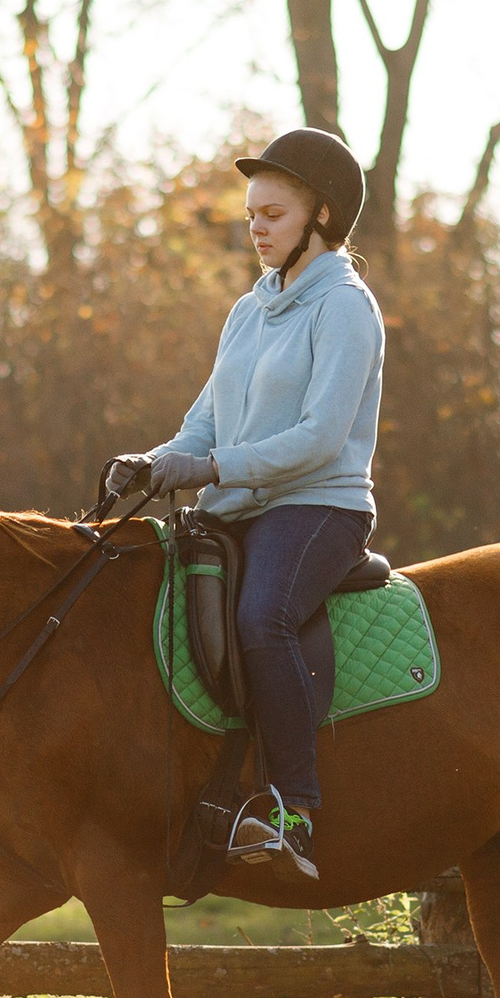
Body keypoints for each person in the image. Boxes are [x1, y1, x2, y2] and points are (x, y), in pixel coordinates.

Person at [104, 128, 384, 882]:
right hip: (240, 506)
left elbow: (320, 439)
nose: (256, 228)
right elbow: (204, 422)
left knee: (263, 617)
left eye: (273, 215)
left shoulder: (346, 308)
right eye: (252, 215)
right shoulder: (248, 310)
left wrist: (212, 467)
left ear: (322, 215)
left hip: (319, 506)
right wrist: (152, 462)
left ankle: (295, 809)